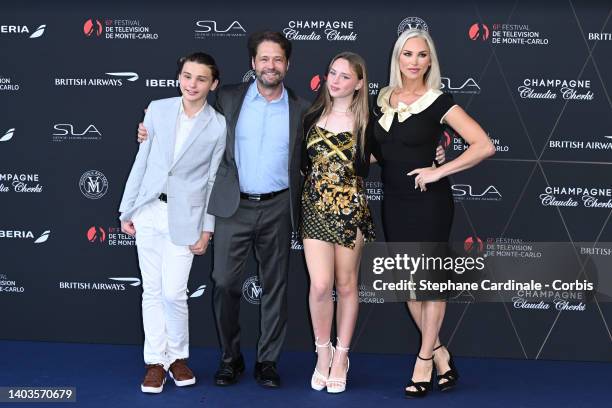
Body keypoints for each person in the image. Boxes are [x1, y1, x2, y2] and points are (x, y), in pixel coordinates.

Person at [138, 31, 310, 388]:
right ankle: (231, 358)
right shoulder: (227, 98)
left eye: (277, 59)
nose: (270, 65)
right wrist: (149, 130)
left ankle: (267, 361)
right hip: (232, 206)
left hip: (279, 205)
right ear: (253, 63)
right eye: (264, 58)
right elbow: (188, 123)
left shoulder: (303, 109)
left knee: (275, 286)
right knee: (223, 283)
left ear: (288, 64)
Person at [371, 28, 495, 398]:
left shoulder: (439, 101)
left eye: (421, 55)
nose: (414, 61)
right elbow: (381, 152)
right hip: (393, 201)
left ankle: (424, 359)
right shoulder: (382, 99)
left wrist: (440, 169)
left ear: (430, 61)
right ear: (397, 58)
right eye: (407, 54)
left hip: (429, 203)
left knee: (430, 282)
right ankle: (441, 354)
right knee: (408, 284)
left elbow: (483, 145)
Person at [118, 52, 226, 394]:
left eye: (200, 79)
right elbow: (142, 161)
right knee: (151, 290)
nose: (191, 84)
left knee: (173, 292)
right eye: (187, 76)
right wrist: (127, 210)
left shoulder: (218, 124)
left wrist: (207, 229)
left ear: (213, 84)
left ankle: (178, 357)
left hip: (187, 218)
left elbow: (212, 180)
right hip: (148, 210)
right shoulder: (157, 109)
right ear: (179, 77)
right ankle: (155, 362)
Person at [301, 52, 376, 394]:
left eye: (345, 76)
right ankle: (322, 352)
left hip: (351, 212)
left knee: (346, 285)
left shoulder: (369, 123)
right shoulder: (310, 115)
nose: (335, 80)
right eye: (332, 72)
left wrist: (435, 155)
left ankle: (342, 356)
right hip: (314, 208)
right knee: (320, 285)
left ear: (359, 84)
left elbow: (401, 149)